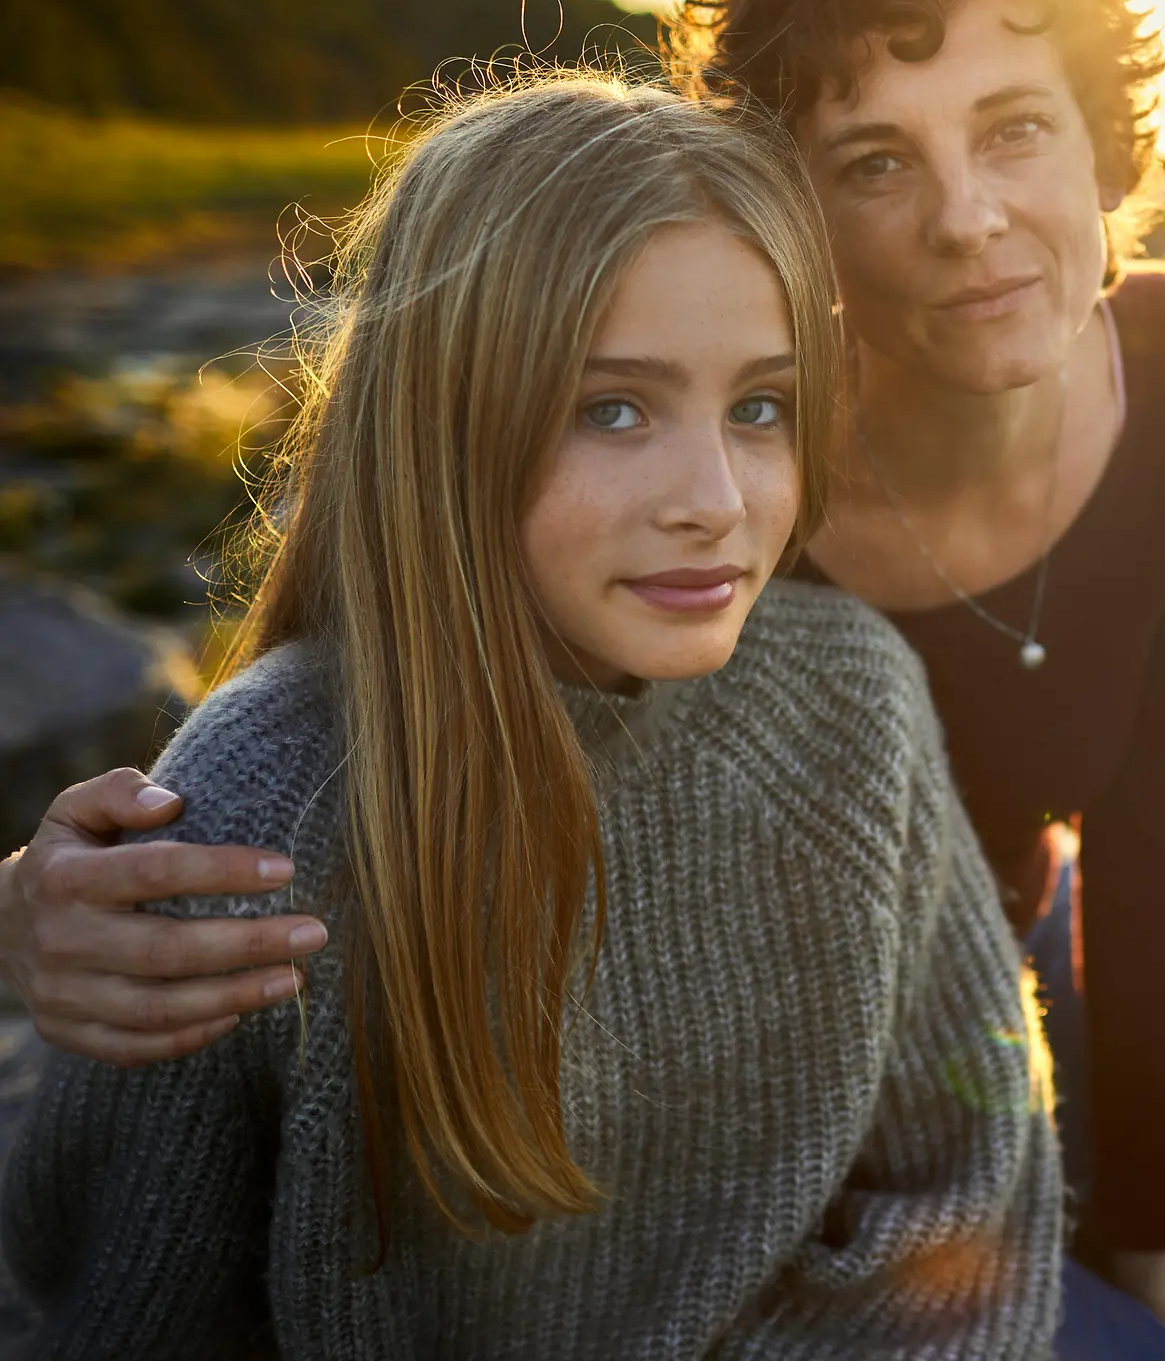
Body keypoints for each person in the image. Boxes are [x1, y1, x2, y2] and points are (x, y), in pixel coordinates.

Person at [3, 0, 1165, 1357]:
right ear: (797, 214)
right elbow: (419, 620)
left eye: (1013, 128)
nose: (966, 219)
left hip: (991, 940)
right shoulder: (725, 487)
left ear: (1105, 142)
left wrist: (1160, 1243)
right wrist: (36, 906)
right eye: (876, 159)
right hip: (790, 993)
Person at [0, 75, 1064, 1359]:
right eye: (611, 408)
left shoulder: (851, 697)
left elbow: (975, 1169)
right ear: (451, 420)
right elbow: (128, 1312)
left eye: (759, 407)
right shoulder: (265, 814)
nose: (715, 497)